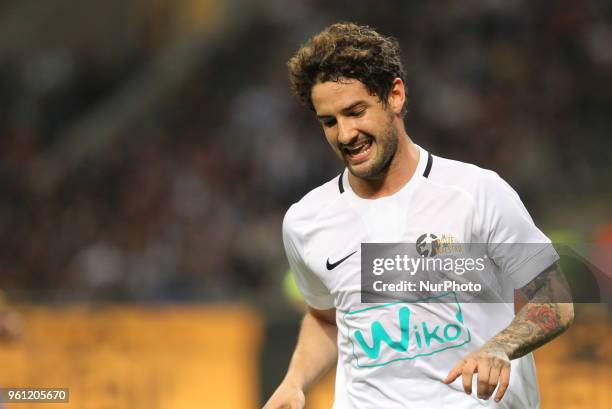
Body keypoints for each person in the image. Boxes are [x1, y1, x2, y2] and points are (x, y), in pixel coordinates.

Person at [263, 23, 574, 409]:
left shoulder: (476, 193)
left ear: (394, 96)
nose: (345, 134)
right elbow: (326, 318)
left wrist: (500, 348)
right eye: (329, 121)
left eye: (355, 112)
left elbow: (554, 299)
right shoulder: (306, 221)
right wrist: (295, 382)